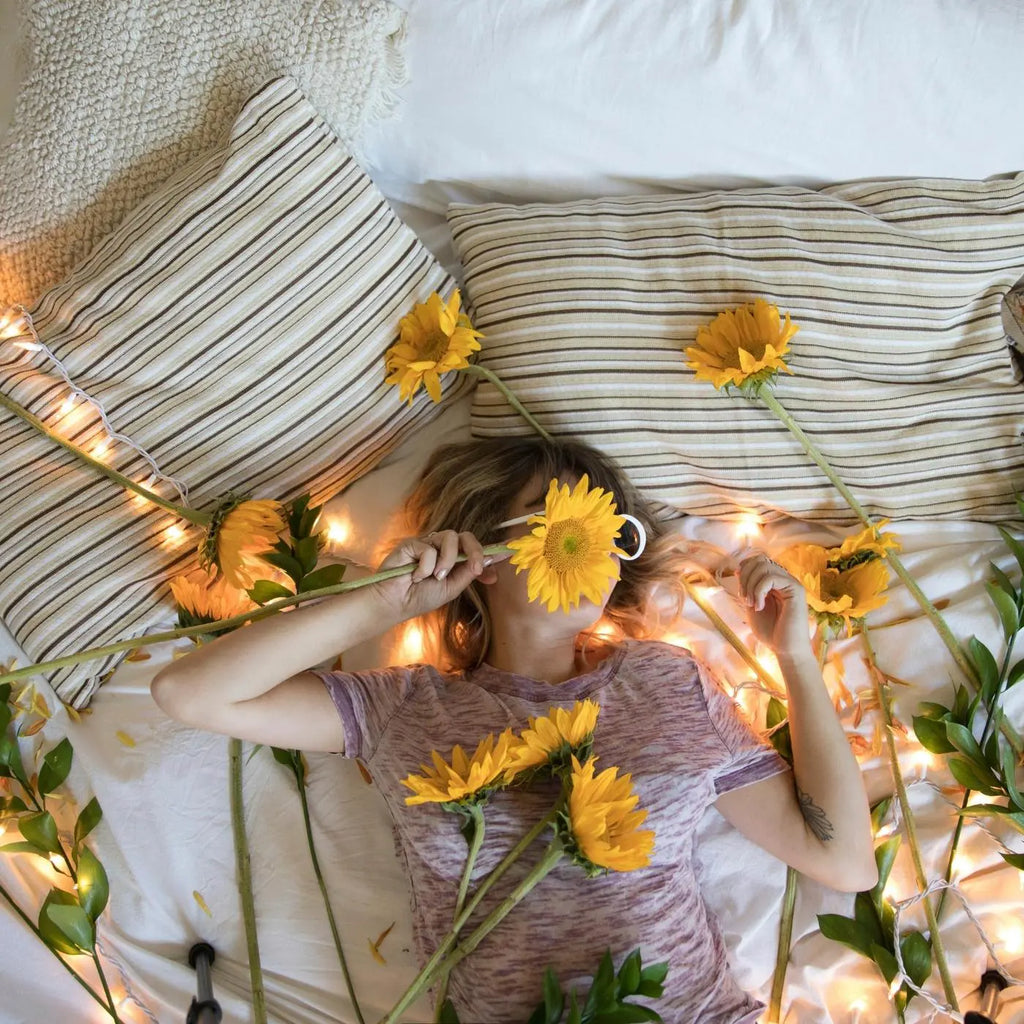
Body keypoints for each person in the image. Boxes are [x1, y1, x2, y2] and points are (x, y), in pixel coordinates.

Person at [151, 435, 877, 1024]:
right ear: (483, 557)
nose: (588, 544)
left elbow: (844, 861)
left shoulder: (666, 682)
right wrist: (382, 604)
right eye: (557, 521)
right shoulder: (407, 708)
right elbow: (189, 692)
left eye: (607, 527)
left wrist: (795, 660)